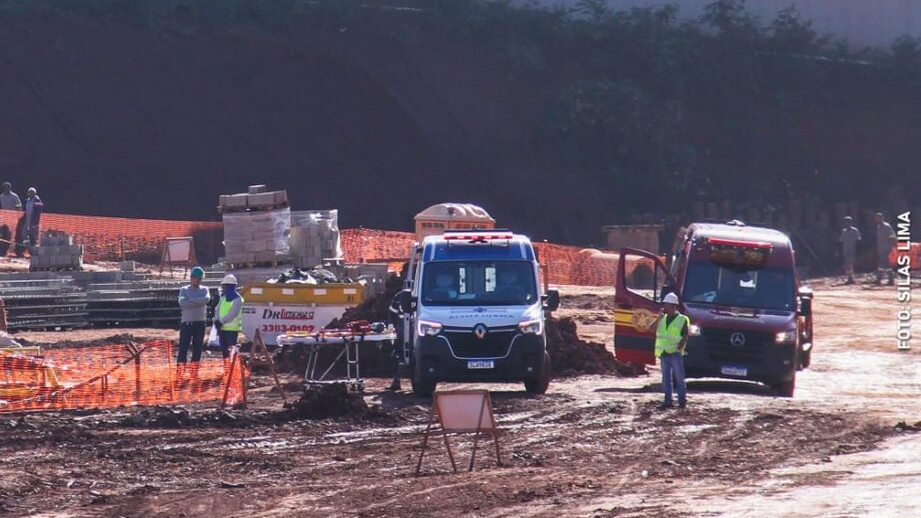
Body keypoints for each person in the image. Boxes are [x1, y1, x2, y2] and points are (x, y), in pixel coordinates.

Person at [655, 292, 689, 410]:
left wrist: (679, 349)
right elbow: (650, 328)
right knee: (666, 379)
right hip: (664, 353)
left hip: (675, 353)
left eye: (667, 305)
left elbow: (685, 336)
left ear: (673, 306)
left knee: (679, 378)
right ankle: (668, 401)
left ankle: (681, 401)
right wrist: (658, 318)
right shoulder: (662, 319)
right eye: (664, 304)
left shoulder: (682, 319)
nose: (664, 307)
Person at [177, 267, 211, 366]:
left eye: (200, 279)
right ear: (191, 277)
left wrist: (190, 299)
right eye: (196, 278)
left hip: (200, 323)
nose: (198, 280)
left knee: (197, 349)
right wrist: (198, 302)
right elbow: (182, 303)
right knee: (183, 348)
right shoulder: (184, 290)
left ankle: (194, 372)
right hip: (187, 323)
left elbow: (206, 300)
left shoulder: (205, 289)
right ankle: (180, 371)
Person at [214, 274, 244, 360]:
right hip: (222, 329)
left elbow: (233, 313)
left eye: (224, 286)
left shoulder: (238, 300)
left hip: (231, 331)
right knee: (224, 352)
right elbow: (217, 309)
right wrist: (216, 320)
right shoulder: (223, 298)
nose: (223, 288)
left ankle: (232, 371)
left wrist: (220, 322)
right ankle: (227, 371)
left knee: (232, 352)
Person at [15, 187, 42, 257]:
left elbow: (40, 208)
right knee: (23, 237)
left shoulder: (37, 201)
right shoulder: (26, 201)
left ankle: (33, 252)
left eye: (32, 192)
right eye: (29, 192)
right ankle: (23, 251)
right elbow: (24, 210)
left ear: (35, 193)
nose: (30, 194)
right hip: (26, 222)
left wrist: (36, 223)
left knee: (33, 238)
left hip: (33, 223)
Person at [874, 212, 897, 286]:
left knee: (882, 264)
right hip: (881, 248)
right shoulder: (878, 227)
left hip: (887, 248)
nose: (877, 219)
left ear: (882, 218)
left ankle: (879, 279)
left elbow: (892, 236)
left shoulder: (886, 226)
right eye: (876, 218)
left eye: (878, 218)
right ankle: (890, 280)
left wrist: (894, 246)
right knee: (886, 265)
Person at [839, 216, 861, 285]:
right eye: (845, 222)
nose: (847, 224)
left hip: (852, 250)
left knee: (850, 264)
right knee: (846, 265)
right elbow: (841, 240)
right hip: (845, 250)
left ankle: (851, 278)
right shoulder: (843, 231)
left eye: (848, 222)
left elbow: (859, 239)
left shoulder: (855, 230)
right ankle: (849, 278)